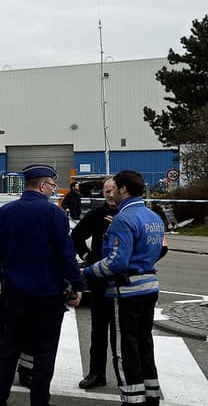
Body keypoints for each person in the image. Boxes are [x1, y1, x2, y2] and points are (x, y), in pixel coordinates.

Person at [0, 164, 82, 406]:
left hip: (15, 294)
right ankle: (39, 401)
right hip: (48, 296)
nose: (54, 190)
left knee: (8, 348)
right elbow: (65, 256)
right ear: (44, 185)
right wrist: (76, 284)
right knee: (45, 353)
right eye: (53, 186)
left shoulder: (6, 212)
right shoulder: (56, 215)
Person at [82, 170, 165, 406]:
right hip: (150, 287)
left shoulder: (123, 218)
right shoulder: (153, 217)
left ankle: (131, 399)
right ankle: (151, 397)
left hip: (127, 291)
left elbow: (116, 262)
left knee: (124, 350)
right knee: (144, 345)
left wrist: (86, 272)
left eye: (114, 188)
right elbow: (158, 250)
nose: (110, 193)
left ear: (124, 190)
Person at [71, 177, 118, 390]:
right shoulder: (98, 214)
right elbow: (76, 236)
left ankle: (128, 375)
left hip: (125, 283)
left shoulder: (132, 214)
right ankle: (96, 373)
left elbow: (159, 247)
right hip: (100, 280)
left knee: (124, 333)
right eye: (106, 190)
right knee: (99, 330)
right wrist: (87, 255)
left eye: (113, 190)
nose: (109, 194)